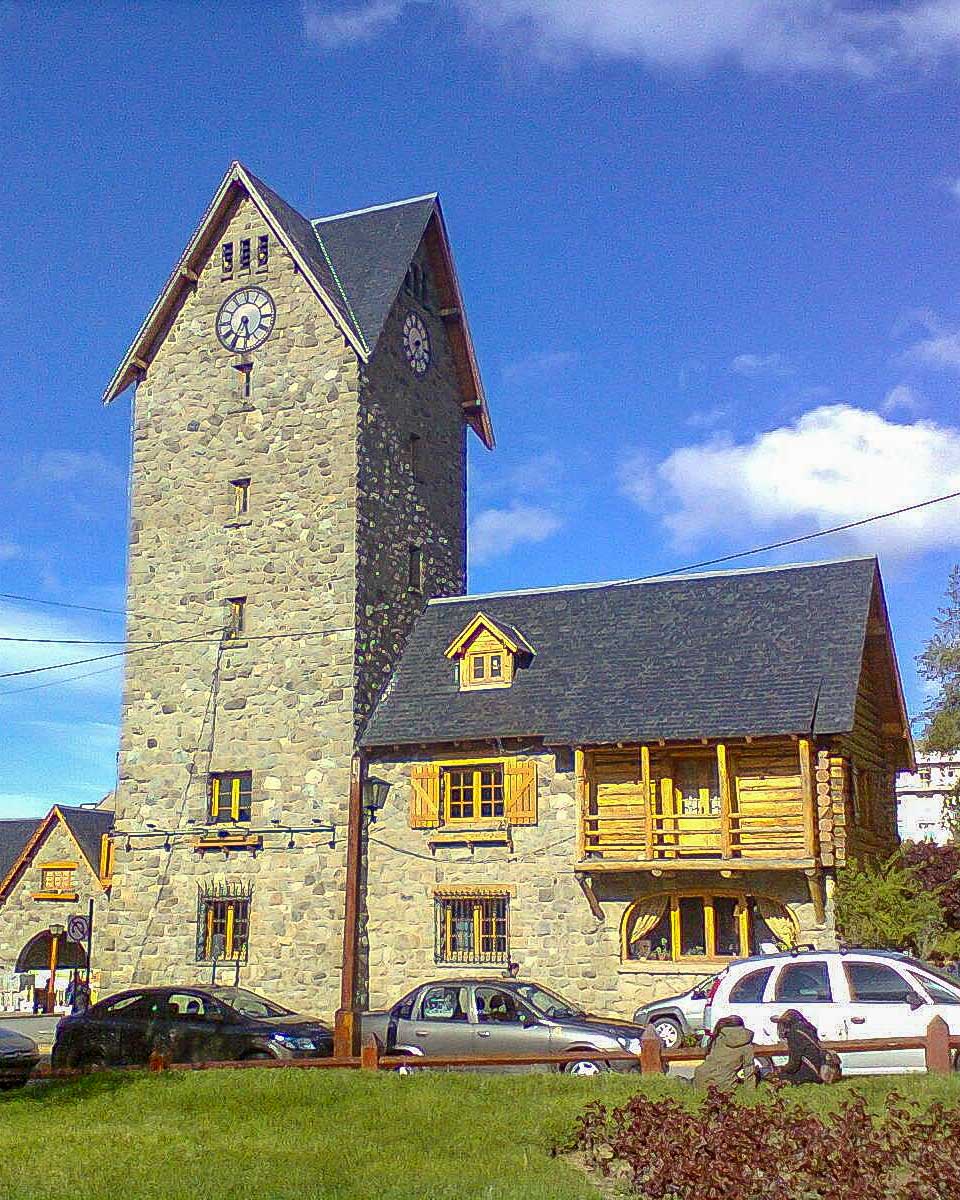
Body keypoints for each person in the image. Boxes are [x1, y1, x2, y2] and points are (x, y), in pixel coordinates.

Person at [760, 1009, 839, 1085]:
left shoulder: (794, 1034)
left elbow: (793, 1065)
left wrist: (781, 1069)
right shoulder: (808, 1029)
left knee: (771, 1076)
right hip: (818, 1069)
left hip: (810, 1074)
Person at [692, 1016, 757, 1091]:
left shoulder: (718, 1037)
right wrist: (750, 1092)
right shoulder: (746, 1044)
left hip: (701, 1079)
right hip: (724, 1084)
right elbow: (748, 1069)